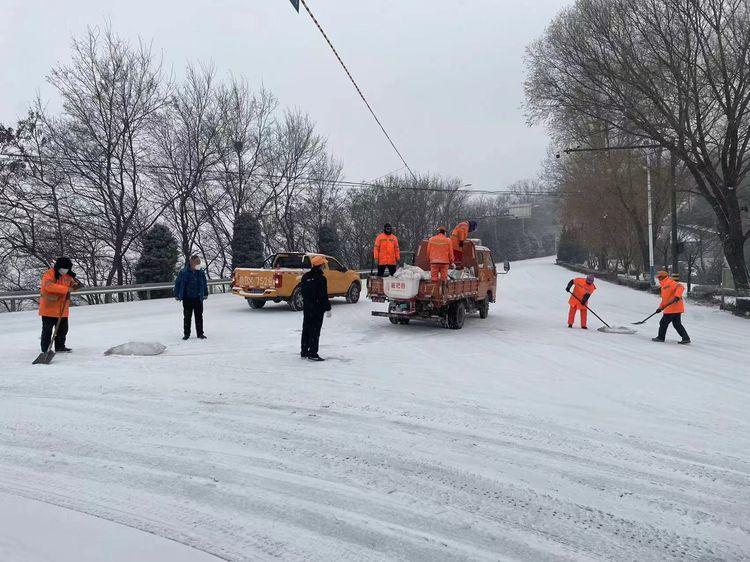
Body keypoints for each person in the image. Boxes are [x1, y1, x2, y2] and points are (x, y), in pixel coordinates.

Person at [39, 257, 81, 353]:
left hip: (62, 309)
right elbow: (49, 286)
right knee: (47, 331)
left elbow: (72, 285)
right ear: (58, 267)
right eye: (63, 268)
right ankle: (45, 350)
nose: (65, 270)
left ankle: (60, 347)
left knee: (63, 330)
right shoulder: (49, 274)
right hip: (48, 309)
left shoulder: (68, 276)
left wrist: (75, 286)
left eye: (67, 268)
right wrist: (66, 289)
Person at [300, 255, 332, 361]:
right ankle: (313, 353)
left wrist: (308, 302)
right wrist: (328, 308)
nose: (324, 266)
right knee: (315, 330)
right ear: (320, 265)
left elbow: (303, 292)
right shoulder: (321, 279)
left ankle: (304, 350)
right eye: (323, 264)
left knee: (306, 328)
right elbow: (323, 295)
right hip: (318, 308)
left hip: (308, 307)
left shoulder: (305, 277)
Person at [174, 255, 208, 340]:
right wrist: (177, 294)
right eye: (197, 262)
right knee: (187, 317)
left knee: (199, 316)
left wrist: (205, 293)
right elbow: (178, 283)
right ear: (192, 263)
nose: (199, 264)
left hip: (198, 297)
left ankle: (200, 333)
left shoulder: (200, 272)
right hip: (187, 298)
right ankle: (186, 334)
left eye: (199, 262)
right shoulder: (184, 272)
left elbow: (204, 283)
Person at [652, 270, 690, 344]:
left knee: (663, 322)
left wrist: (677, 296)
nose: (658, 279)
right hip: (674, 308)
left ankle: (661, 337)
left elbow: (680, 286)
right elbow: (665, 300)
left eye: (659, 277)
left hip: (672, 308)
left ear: (663, 277)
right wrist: (660, 308)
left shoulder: (669, 282)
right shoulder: (663, 286)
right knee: (677, 324)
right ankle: (686, 338)